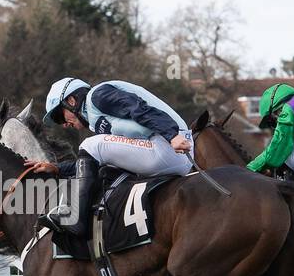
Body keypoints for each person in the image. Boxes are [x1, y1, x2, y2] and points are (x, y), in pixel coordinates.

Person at [27, 77, 192, 238]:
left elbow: (138, 108)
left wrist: (172, 135)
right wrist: (57, 168)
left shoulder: (97, 96)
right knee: (96, 153)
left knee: (90, 145)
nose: (63, 124)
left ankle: (77, 219)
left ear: (71, 101)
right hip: (169, 151)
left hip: (169, 145)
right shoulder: (95, 119)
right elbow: (94, 163)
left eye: (59, 116)